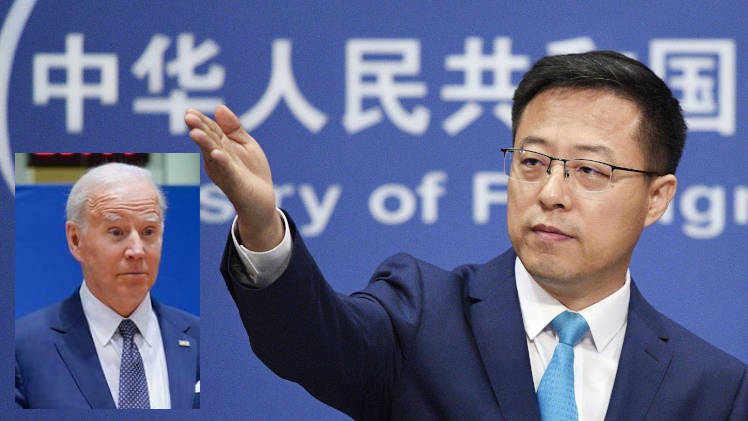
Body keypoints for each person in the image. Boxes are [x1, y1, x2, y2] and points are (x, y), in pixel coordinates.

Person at [185, 51, 746, 420]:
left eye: (590, 170)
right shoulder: (423, 315)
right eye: (532, 162)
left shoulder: (714, 390)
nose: (552, 192)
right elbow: (311, 342)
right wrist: (262, 226)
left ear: (656, 198)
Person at [15, 163, 200, 409]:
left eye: (148, 231)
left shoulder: (200, 339)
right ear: (76, 240)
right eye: (116, 232)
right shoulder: (21, 348)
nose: (137, 251)